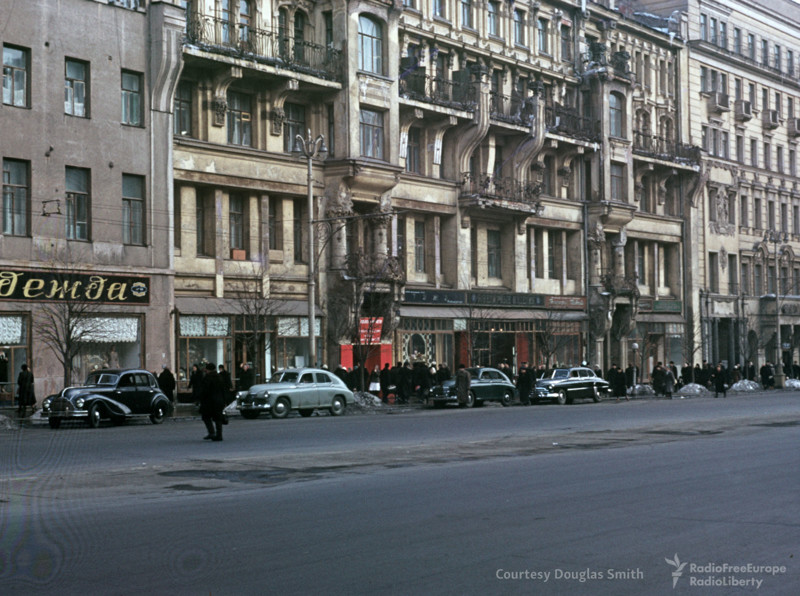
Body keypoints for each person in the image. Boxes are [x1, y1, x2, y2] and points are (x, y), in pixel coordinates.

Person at [199, 362, 226, 441]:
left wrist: (200, 398)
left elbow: (205, 390)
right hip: (219, 401)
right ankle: (219, 435)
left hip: (209, 401)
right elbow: (224, 390)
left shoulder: (207, 378)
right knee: (218, 418)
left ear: (208, 370)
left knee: (206, 417)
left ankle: (211, 432)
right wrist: (224, 400)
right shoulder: (219, 377)